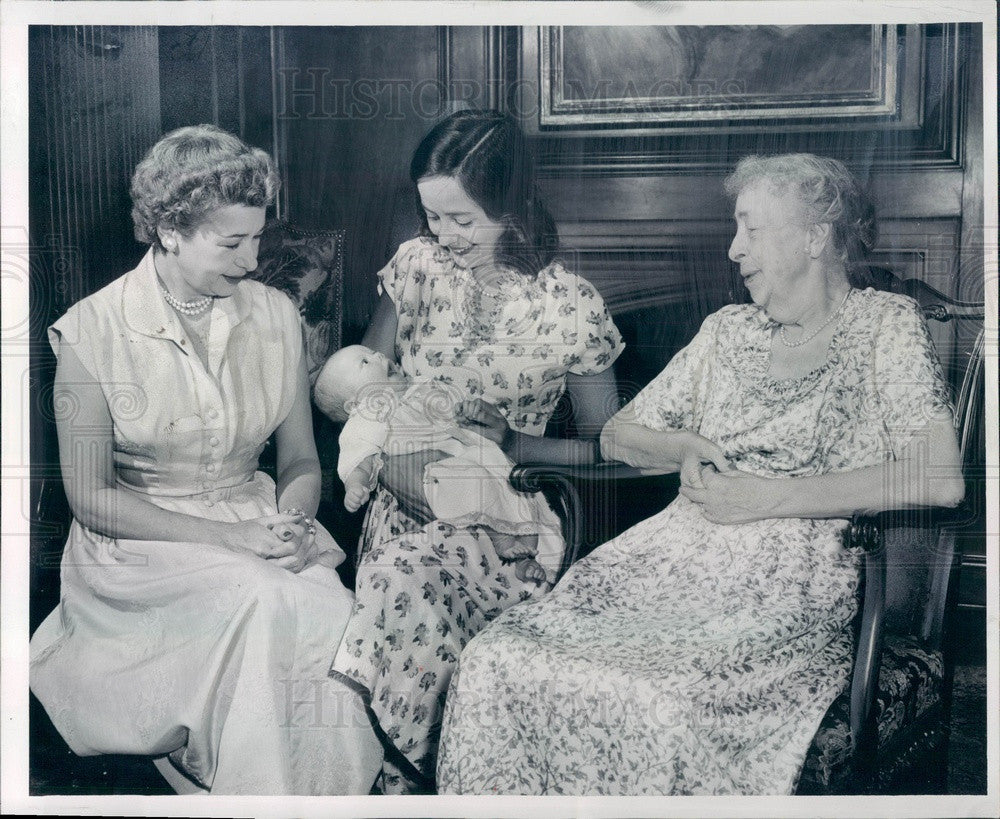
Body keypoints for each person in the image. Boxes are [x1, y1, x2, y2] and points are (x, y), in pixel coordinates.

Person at [437, 153, 965, 795]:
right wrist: (682, 445)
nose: (735, 249)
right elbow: (617, 434)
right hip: (662, 560)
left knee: (658, 700)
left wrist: (768, 498)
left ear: (814, 236)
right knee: (497, 659)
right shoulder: (725, 331)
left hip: (785, 579)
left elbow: (940, 477)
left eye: (750, 228)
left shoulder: (885, 324)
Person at [29, 125, 382, 795]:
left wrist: (295, 519)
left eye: (256, 237)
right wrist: (234, 538)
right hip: (137, 544)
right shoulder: (90, 330)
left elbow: (301, 459)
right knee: (263, 597)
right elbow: (91, 497)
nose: (253, 260)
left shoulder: (275, 314)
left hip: (255, 517)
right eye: (231, 243)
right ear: (168, 230)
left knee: (332, 615)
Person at [327, 109, 623, 793]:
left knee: (418, 598)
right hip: (396, 506)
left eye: (463, 220)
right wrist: (391, 432)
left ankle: (438, 784)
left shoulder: (570, 306)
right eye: (433, 216)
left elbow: (611, 449)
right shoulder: (414, 269)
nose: (444, 236)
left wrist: (517, 441)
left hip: (502, 529)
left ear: (511, 202)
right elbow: (361, 382)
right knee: (395, 583)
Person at [315, 344, 562, 585]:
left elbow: (455, 407)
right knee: (470, 483)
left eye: (372, 353)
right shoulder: (370, 412)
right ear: (354, 404)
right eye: (365, 362)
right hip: (431, 475)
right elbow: (360, 454)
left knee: (514, 488)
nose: (379, 355)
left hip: (469, 451)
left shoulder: (422, 386)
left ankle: (529, 556)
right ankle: (502, 539)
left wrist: (468, 409)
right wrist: (356, 484)